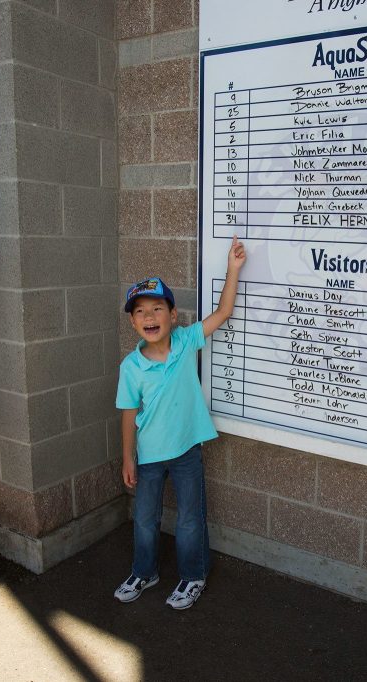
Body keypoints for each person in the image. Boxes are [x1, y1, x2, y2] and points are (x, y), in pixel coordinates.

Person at [114, 237, 246, 610]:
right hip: (149, 456)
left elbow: (222, 313)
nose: (150, 317)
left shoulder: (187, 341)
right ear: (133, 322)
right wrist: (128, 458)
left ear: (173, 316)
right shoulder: (131, 367)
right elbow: (128, 414)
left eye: (157, 308)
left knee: (190, 519)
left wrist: (232, 270)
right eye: (141, 312)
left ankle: (194, 575)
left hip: (187, 451)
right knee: (144, 519)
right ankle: (145, 571)